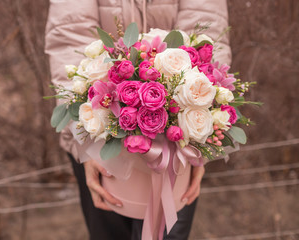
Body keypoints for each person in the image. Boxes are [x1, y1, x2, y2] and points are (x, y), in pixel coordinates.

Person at [45, 0, 231, 239]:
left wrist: (200, 141)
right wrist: (84, 143)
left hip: (179, 149)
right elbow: (69, 39)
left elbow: (207, 34)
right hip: (100, 142)